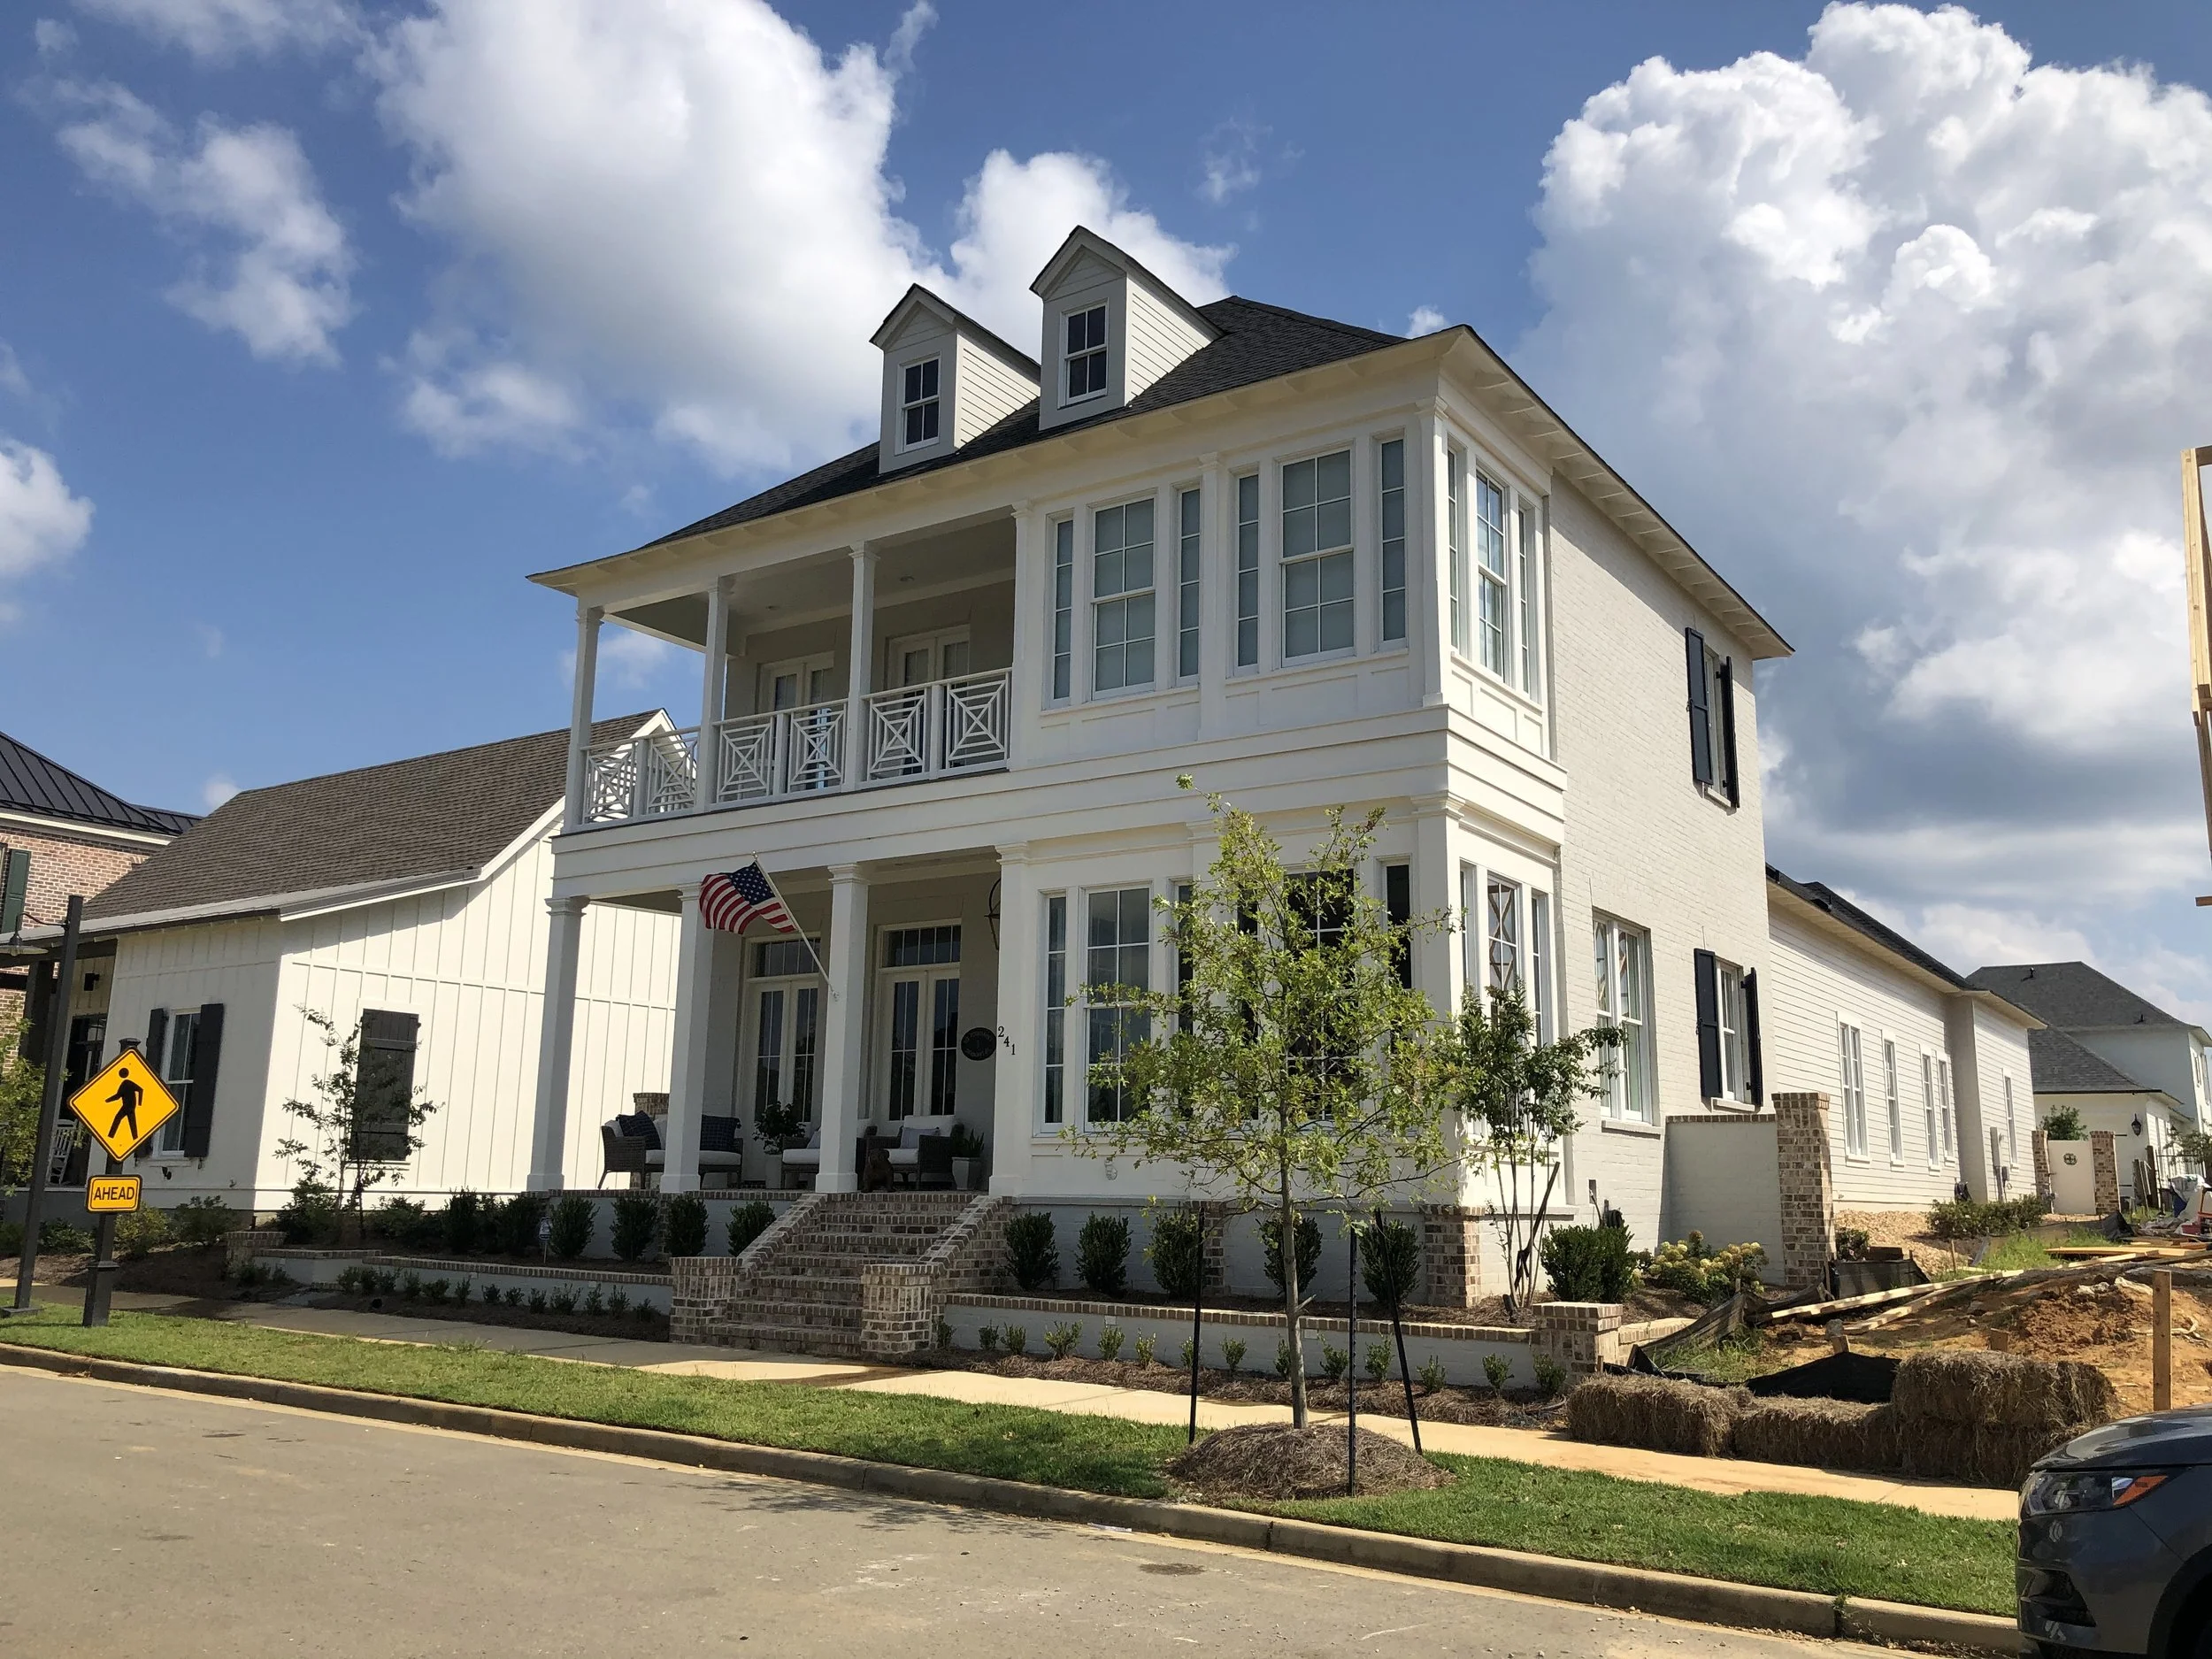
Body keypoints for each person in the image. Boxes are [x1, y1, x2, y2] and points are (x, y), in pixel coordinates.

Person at [105, 1064, 144, 1143]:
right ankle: (134, 1138)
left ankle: (111, 1136)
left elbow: (140, 1089)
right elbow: (118, 1096)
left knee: (124, 1120)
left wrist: (140, 1103)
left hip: (128, 1107)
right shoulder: (125, 1083)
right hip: (128, 1106)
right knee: (129, 1122)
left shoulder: (127, 1083)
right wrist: (107, 1100)